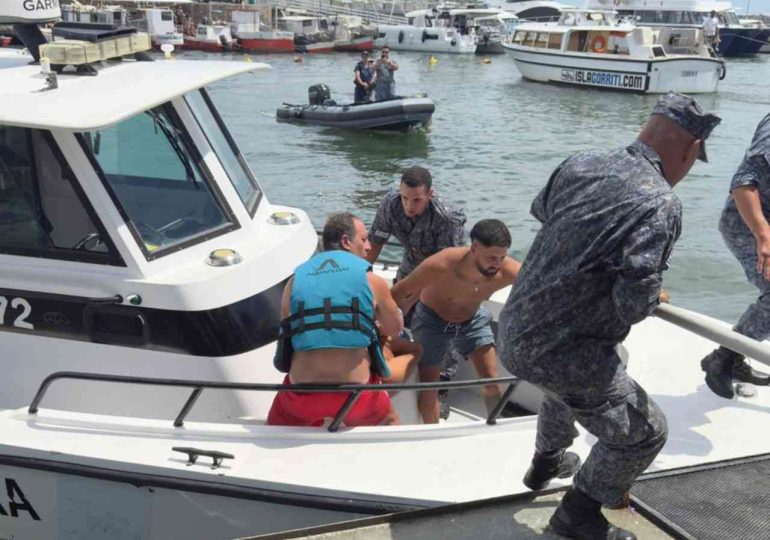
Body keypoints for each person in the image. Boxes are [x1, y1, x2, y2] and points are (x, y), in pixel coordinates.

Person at [497, 92, 720, 540]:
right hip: (561, 351)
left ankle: (547, 460)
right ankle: (577, 515)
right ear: (691, 150)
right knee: (645, 432)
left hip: (514, 329)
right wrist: (653, 287)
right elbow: (634, 305)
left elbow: (547, 218)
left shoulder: (580, 162)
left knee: (583, 378)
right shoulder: (660, 203)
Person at [267, 213, 404, 427]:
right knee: (391, 420)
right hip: (355, 394)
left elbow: (288, 330)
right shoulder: (372, 281)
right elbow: (394, 328)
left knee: (277, 426)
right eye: (364, 239)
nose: (369, 247)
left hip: (303, 394)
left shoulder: (294, 282)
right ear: (346, 242)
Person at [391, 219, 521, 423]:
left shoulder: (508, 271)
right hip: (432, 321)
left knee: (492, 381)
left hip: (472, 320)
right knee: (429, 388)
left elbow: (543, 288)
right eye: (491, 257)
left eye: (502, 257)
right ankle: (432, 436)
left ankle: (494, 427)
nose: (496, 263)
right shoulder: (442, 264)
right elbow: (398, 291)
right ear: (474, 248)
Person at [367, 165, 467, 415]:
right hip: (410, 268)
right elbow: (374, 244)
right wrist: (359, 276)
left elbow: (450, 264)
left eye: (417, 200)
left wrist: (417, 296)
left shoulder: (448, 217)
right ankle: (395, 369)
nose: (409, 206)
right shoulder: (390, 205)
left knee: (441, 325)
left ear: (429, 194)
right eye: (405, 198)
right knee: (395, 319)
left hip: (443, 278)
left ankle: (441, 386)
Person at [701, 113, 770, 399]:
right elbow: (743, 183)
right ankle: (724, 358)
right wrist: (763, 235)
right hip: (748, 225)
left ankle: (735, 355)